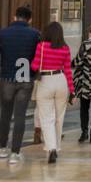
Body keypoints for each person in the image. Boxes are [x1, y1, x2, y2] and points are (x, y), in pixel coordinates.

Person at [0, 5, 41, 164]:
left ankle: (2, 147)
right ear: (29, 19)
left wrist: (1, 64)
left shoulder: (2, 33)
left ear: (14, 17)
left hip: (7, 79)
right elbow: (38, 56)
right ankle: (15, 153)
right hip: (25, 78)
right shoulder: (36, 34)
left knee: (5, 114)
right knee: (20, 116)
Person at [31, 22, 74, 165]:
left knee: (46, 117)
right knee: (59, 117)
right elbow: (68, 70)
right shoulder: (65, 48)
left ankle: (51, 148)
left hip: (46, 81)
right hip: (61, 80)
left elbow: (35, 66)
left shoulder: (41, 46)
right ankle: (57, 146)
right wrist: (72, 90)